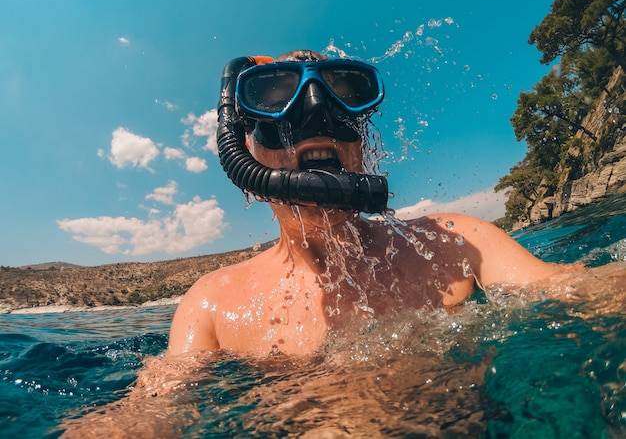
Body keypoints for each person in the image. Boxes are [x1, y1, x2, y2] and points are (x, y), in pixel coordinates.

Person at [167, 49, 579, 358]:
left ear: (361, 146)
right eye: (277, 96)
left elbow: (580, 295)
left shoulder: (460, 244)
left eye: (341, 97)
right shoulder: (212, 303)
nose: (316, 113)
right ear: (246, 152)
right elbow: (151, 410)